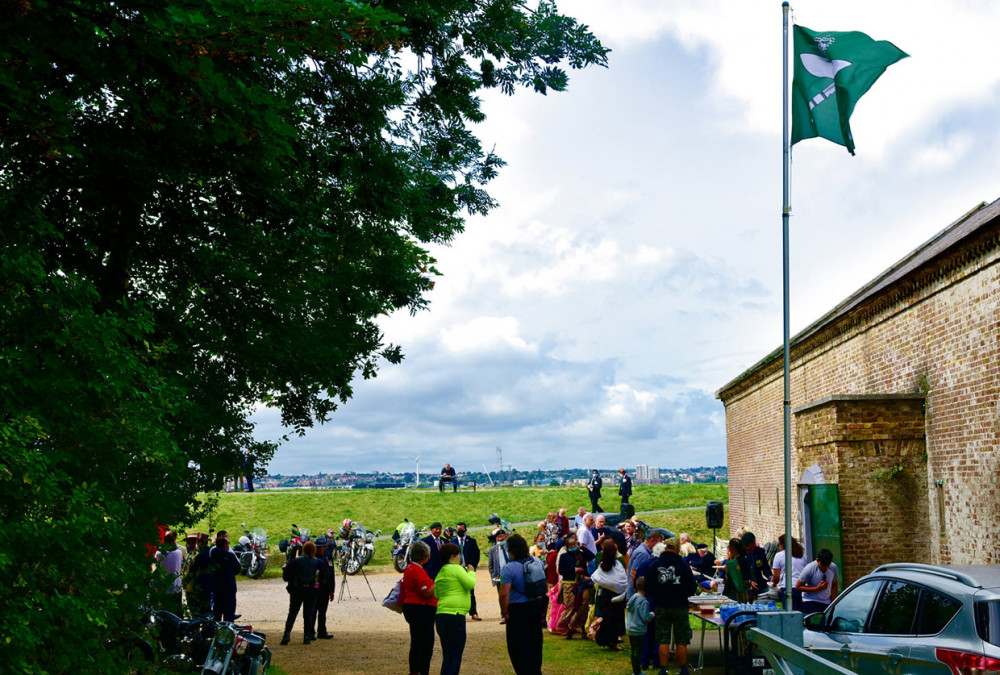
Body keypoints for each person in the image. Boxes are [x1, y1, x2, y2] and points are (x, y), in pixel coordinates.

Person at [644, 537, 696, 675]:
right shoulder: (683, 566)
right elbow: (692, 588)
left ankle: (663, 669)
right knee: (682, 640)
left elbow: (647, 587)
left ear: (666, 548)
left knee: (663, 639)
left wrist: (659, 595)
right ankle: (683, 669)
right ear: (678, 549)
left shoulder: (656, 565)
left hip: (662, 606)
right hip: (680, 606)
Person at [499, 534, 544, 675]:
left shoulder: (508, 568)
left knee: (517, 645)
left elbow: (504, 594)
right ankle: (535, 670)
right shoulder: (537, 562)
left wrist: (504, 611)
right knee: (535, 642)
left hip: (517, 609)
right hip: (535, 605)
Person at [434, 543, 476, 675]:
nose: (460, 557)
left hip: (442, 614)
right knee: (455, 654)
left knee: (448, 653)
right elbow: (470, 584)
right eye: (458, 554)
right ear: (452, 557)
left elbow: (436, 593)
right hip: (455, 614)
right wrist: (471, 572)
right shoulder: (457, 569)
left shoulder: (441, 572)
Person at [402, 540, 437, 675]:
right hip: (421, 608)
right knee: (426, 643)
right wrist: (436, 583)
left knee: (416, 641)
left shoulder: (410, 567)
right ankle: (423, 670)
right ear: (424, 556)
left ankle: (414, 670)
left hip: (412, 607)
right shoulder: (417, 570)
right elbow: (426, 591)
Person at [555, 532, 595, 639]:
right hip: (569, 584)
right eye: (571, 545)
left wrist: (583, 548)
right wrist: (574, 570)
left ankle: (580, 627)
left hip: (582, 583)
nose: (574, 547)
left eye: (575, 545)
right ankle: (567, 628)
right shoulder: (564, 556)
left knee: (583, 606)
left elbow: (592, 556)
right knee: (570, 607)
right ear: (567, 547)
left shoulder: (581, 554)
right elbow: (561, 570)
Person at [281, 540, 319, 645]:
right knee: (308, 614)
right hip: (310, 590)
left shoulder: (295, 561)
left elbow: (286, 577)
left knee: (293, 612)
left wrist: (284, 570)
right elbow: (323, 574)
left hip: (297, 590)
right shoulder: (317, 562)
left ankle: (287, 634)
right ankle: (306, 636)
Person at [591, 539, 627, 650]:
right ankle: (611, 641)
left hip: (606, 595)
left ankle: (609, 640)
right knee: (613, 620)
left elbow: (599, 578)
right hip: (614, 596)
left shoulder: (606, 564)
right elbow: (621, 580)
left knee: (608, 619)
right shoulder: (611, 564)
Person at [208, 531, 241, 622]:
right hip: (229, 586)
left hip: (216, 587)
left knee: (217, 611)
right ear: (225, 545)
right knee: (229, 613)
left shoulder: (212, 552)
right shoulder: (229, 555)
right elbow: (238, 568)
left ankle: (216, 630)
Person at [451, 522, 481, 621]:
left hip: (468, 569)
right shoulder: (452, 541)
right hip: (457, 569)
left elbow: (476, 555)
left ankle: (473, 612)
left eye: (462, 528)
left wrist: (472, 566)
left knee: (471, 592)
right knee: (457, 591)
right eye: (458, 528)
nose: (460, 530)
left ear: (466, 530)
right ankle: (459, 613)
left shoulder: (471, 541)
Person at [796, 548, 838, 615]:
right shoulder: (810, 569)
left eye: (828, 565)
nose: (825, 568)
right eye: (823, 565)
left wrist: (833, 603)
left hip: (827, 601)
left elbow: (834, 585)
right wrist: (817, 589)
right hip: (811, 601)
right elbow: (798, 586)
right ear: (818, 560)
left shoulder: (833, 568)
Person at [626, 576, 654, 675]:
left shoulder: (633, 598)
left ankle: (635, 670)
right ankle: (637, 672)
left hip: (630, 629)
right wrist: (652, 614)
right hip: (638, 630)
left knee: (634, 651)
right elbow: (645, 617)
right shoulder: (644, 602)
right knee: (638, 651)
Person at [771, 534, 806, 611]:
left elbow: (776, 577)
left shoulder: (779, 556)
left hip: (788, 588)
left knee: (789, 614)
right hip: (802, 588)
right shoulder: (801, 555)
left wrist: (773, 584)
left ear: (782, 544)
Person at [626, 527, 664, 600]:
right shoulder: (643, 554)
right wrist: (637, 591)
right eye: (659, 544)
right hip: (637, 595)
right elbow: (634, 573)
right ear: (652, 540)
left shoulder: (644, 551)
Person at [155, 530, 184, 616]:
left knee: (165, 611)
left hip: (164, 586)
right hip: (177, 586)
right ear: (174, 541)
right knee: (177, 611)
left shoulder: (159, 553)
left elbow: (157, 566)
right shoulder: (179, 552)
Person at [310, 537, 334, 640]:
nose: (322, 548)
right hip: (314, 588)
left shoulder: (328, 557)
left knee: (322, 611)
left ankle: (322, 631)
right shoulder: (311, 558)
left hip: (324, 588)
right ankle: (310, 632)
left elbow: (331, 575)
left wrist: (331, 590)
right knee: (313, 611)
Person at [487, 528, 511, 624]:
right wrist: (494, 576)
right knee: (502, 596)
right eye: (498, 537)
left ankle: (511, 614)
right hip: (499, 577)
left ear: (505, 537)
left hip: (510, 575)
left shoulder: (510, 547)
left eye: (501, 537)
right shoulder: (493, 550)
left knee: (511, 595)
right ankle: (503, 615)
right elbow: (491, 565)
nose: (500, 539)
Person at [738, 532, 771, 600]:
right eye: (746, 547)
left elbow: (765, 568)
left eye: (751, 546)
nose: (749, 548)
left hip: (760, 584)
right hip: (746, 587)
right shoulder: (740, 555)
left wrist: (771, 577)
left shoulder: (760, 552)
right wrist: (749, 581)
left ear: (754, 543)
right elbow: (740, 572)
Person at [187, 534, 213, 616]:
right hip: (209, 583)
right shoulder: (211, 551)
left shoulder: (200, 555)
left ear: (200, 542)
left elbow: (192, 569)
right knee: (207, 606)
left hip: (199, 584)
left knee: (198, 609)